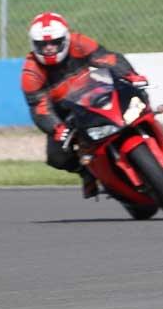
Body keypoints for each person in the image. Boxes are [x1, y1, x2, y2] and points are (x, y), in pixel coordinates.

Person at [20, 12, 147, 198]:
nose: (48, 48)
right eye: (42, 44)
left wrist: (131, 75)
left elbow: (108, 59)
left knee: (137, 96)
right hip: (65, 113)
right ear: (34, 45)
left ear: (65, 39)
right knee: (56, 157)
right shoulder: (30, 72)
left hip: (97, 93)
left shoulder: (79, 42)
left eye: (54, 42)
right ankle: (87, 173)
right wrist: (57, 128)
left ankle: (150, 128)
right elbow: (39, 107)